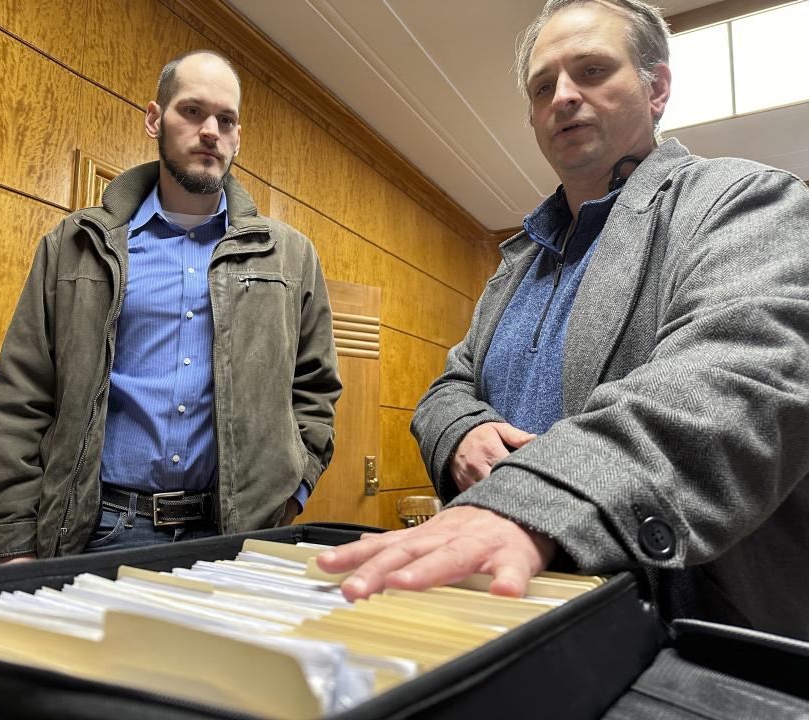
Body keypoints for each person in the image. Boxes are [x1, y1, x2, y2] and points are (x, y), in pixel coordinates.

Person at [319, 0, 809, 640]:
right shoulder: (517, 263)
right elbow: (448, 388)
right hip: (509, 611)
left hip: (676, 627)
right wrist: (462, 431)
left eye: (592, 70)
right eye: (542, 86)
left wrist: (535, 500)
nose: (564, 96)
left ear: (656, 88)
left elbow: (739, 375)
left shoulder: (745, 199)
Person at [0, 50, 341, 562]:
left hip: (239, 538)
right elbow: (22, 394)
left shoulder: (291, 256)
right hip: (99, 532)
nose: (210, 130)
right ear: (154, 119)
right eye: (192, 111)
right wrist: (15, 542)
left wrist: (292, 492)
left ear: (237, 136)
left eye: (226, 119)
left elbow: (316, 388)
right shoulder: (76, 243)